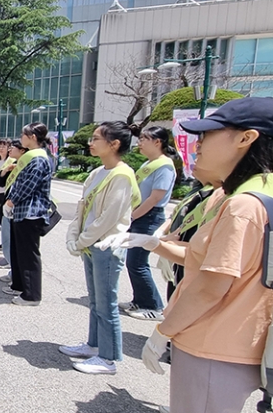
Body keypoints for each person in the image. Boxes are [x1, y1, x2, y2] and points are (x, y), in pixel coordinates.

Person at [102, 97, 273, 412]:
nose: (198, 145)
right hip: (244, 344)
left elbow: (212, 286)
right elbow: (205, 256)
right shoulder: (257, 193)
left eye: (208, 135)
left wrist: (163, 332)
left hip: (213, 344)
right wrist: (154, 243)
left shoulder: (242, 205)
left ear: (246, 138)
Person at [62, 121, 141, 375]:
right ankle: (94, 345)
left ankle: (108, 358)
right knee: (96, 300)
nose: (91, 142)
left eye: (96, 138)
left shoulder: (122, 174)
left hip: (107, 245)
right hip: (91, 244)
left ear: (114, 144)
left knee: (106, 302)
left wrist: (81, 240)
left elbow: (108, 218)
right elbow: (83, 207)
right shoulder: (98, 172)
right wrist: (75, 235)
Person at [119, 126, 177, 321]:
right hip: (140, 215)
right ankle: (140, 299)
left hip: (149, 217)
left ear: (158, 142)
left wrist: (133, 215)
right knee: (133, 262)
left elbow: (155, 198)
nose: (140, 143)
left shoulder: (164, 166)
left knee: (137, 263)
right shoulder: (149, 163)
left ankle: (153, 306)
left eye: (144, 139)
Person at [3, 123, 53, 306]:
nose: (21, 137)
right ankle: (20, 285)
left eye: (23, 134)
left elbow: (27, 185)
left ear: (32, 137)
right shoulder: (32, 156)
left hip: (31, 213)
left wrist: (11, 201)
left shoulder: (39, 159)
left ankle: (31, 294)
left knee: (29, 254)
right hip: (22, 212)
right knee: (19, 252)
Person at [0, 141, 25, 274]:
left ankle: (15, 273)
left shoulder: (26, 166)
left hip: (16, 210)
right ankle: (12, 271)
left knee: (16, 243)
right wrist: (6, 170)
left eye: (13, 147)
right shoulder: (11, 165)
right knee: (7, 239)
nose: (10, 150)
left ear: (22, 150)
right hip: (5, 205)